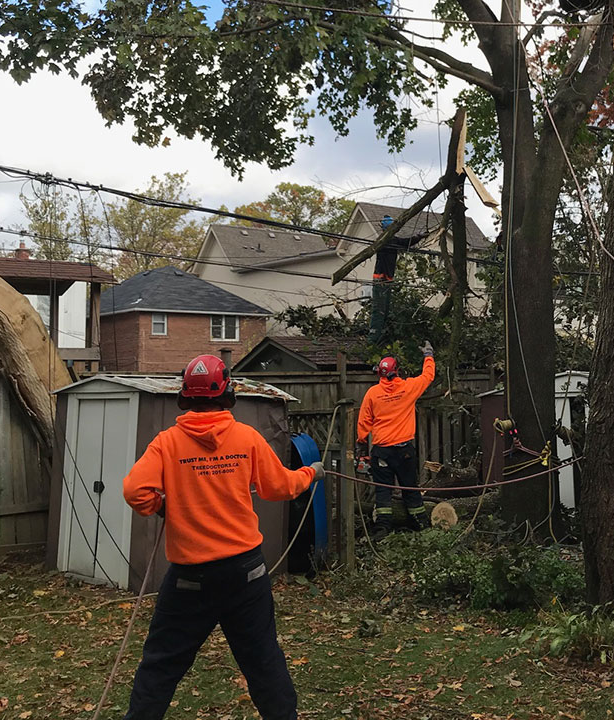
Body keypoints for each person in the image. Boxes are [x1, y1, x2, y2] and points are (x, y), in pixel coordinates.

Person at [121, 354, 323, 720]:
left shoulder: (167, 443)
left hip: (190, 579)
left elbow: (135, 491)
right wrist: (311, 473)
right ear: (227, 393)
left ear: (185, 395)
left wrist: (162, 506)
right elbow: (280, 486)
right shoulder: (246, 438)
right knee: (263, 661)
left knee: (160, 667)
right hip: (245, 574)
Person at [356, 341, 435, 537]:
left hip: (382, 451)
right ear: (397, 371)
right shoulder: (408, 388)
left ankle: (382, 528)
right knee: (410, 488)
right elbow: (428, 376)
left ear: (379, 374)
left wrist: (361, 446)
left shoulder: (372, 394)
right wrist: (428, 355)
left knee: (383, 491)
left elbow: (364, 423)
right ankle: (422, 525)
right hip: (404, 451)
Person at [368, 213, 428, 343]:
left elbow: (406, 242)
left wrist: (419, 237)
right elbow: (404, 242)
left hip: (388, 279)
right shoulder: (381, 241)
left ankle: (383, 337)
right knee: (379, 310)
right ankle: (373, 339)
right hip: (380, 279)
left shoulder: (393, 240)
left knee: (385, 309)